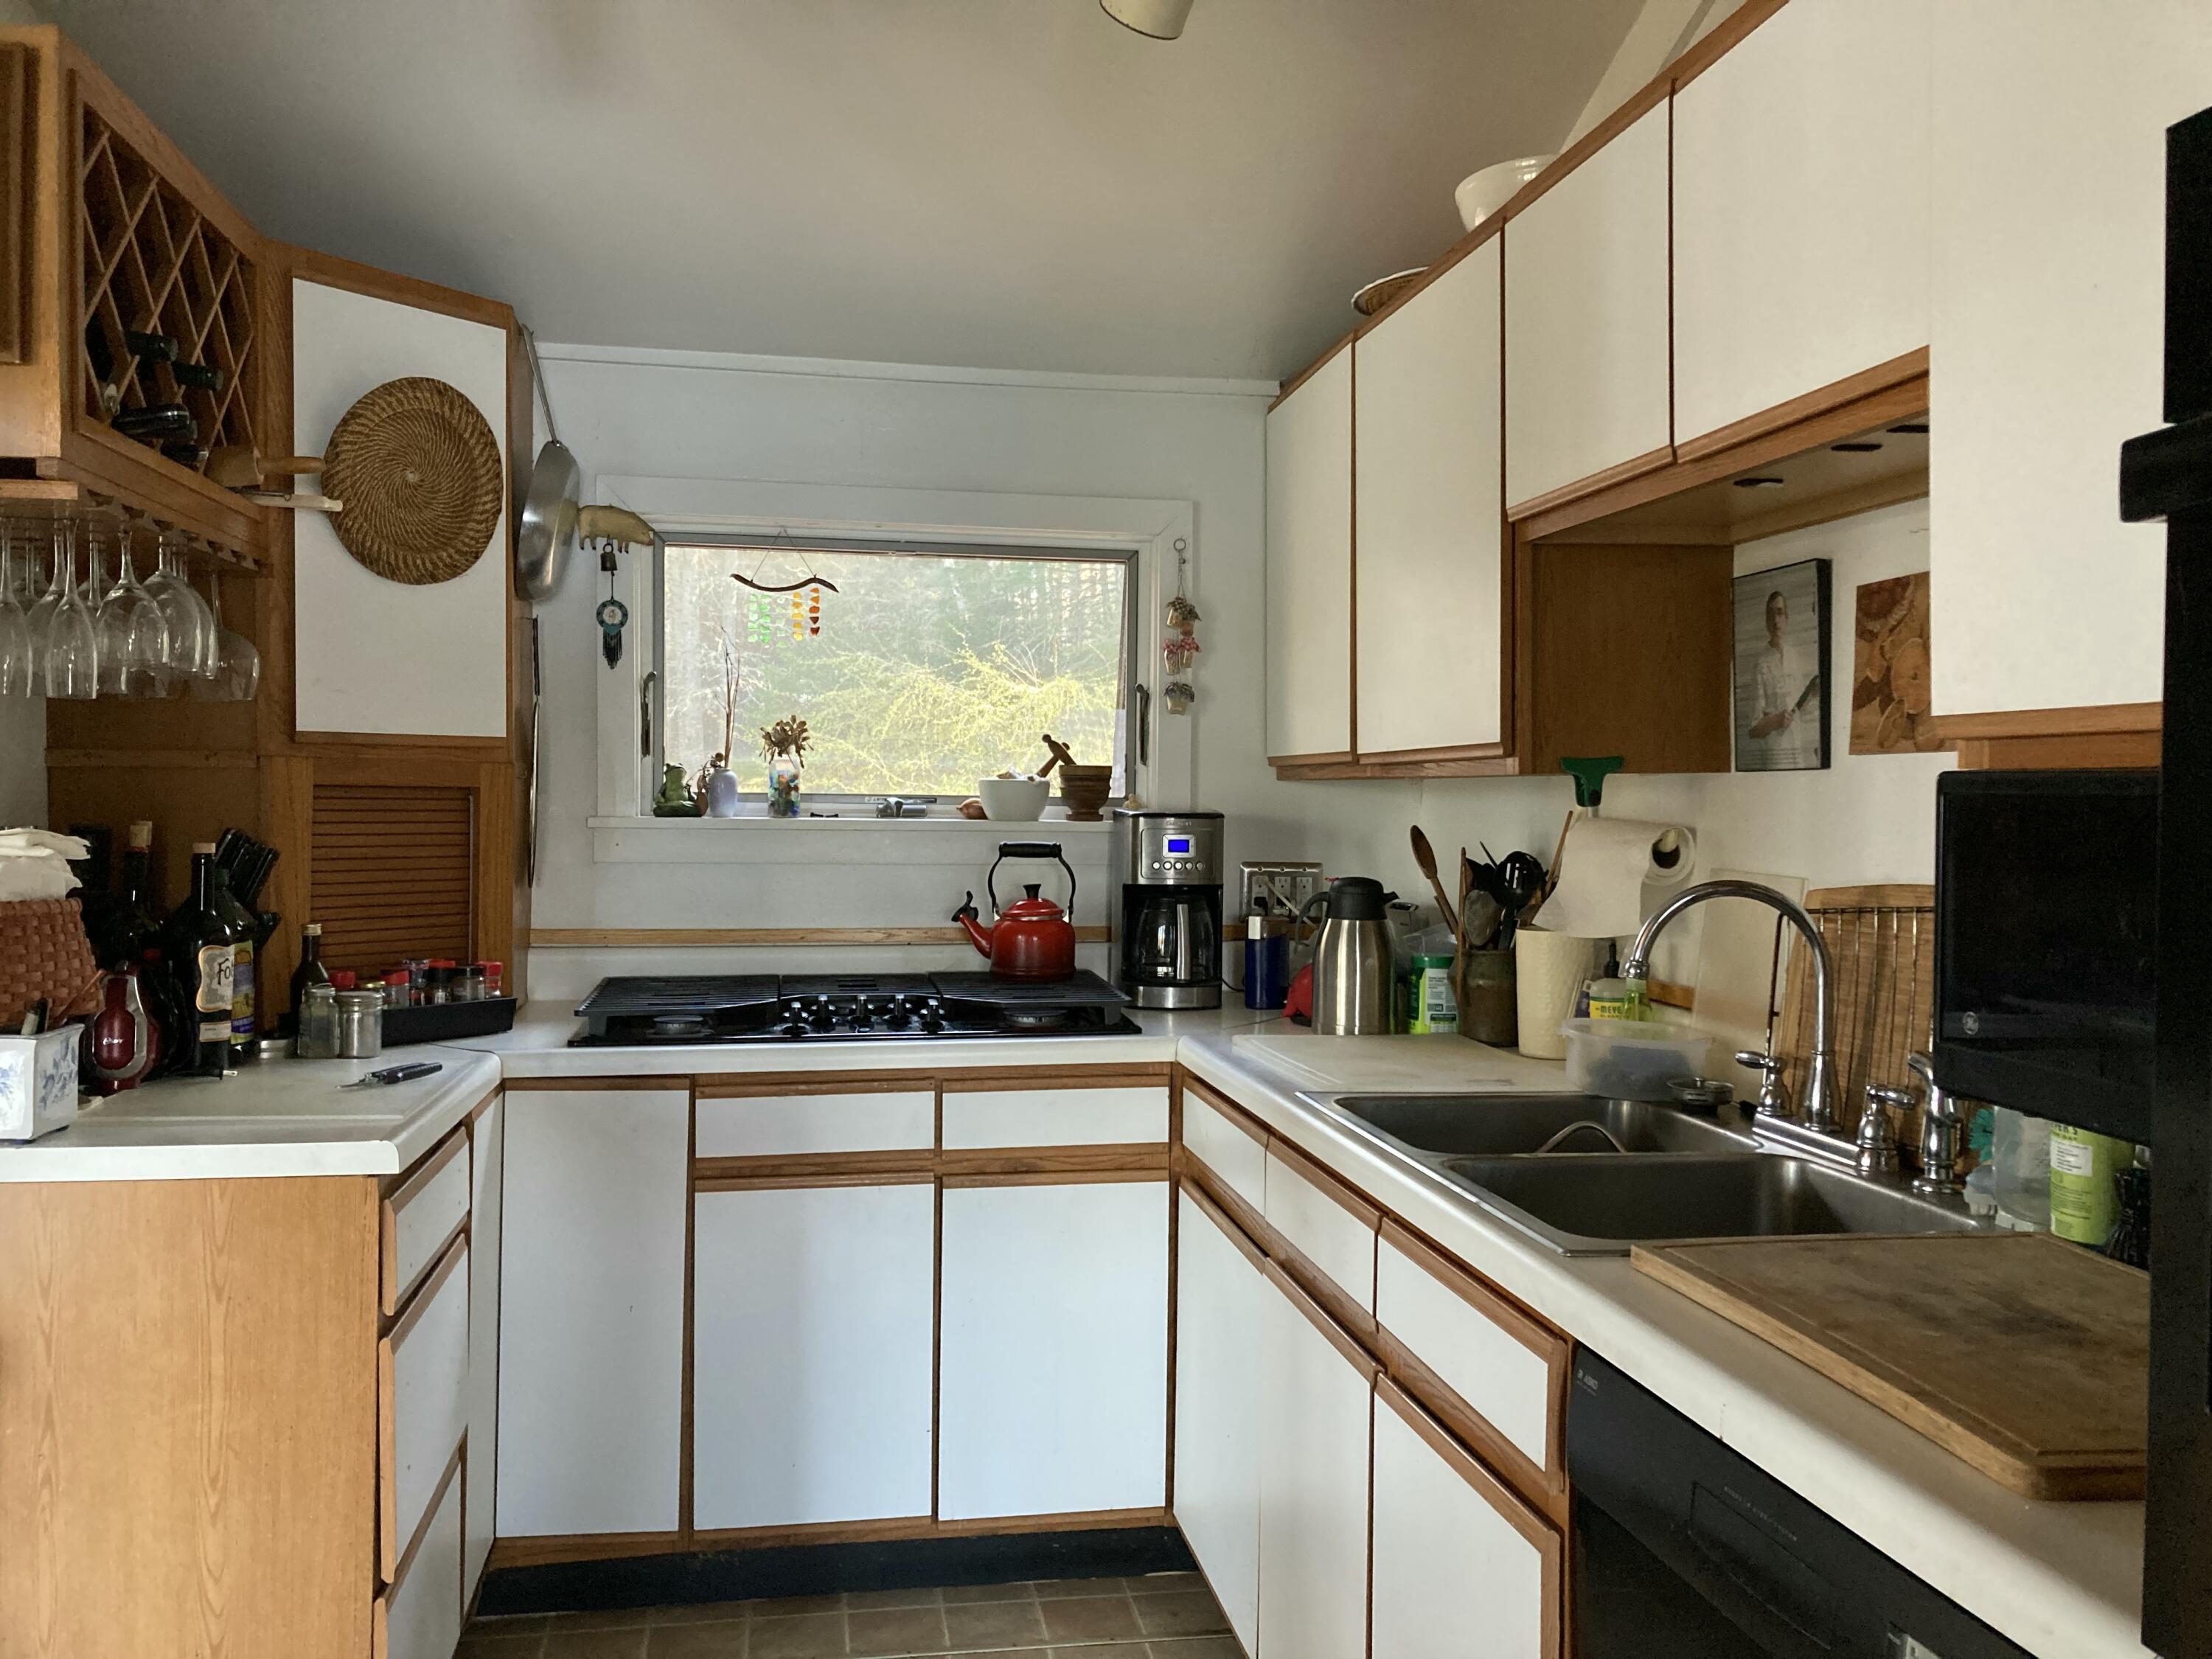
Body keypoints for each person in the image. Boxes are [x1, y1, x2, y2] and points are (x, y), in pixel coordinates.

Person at [1745, 588, 1820, 768]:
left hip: (1798, 751)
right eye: (1771, 615)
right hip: (1777, 756)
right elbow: (1753, 729)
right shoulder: (1760, 664)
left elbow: (1799, 711)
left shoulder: (1794, 657)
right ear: (1766, 622)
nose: (1776, 620)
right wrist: (1775, 720)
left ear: (1787, 618)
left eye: (1780, 613)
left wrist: (1813, 696)